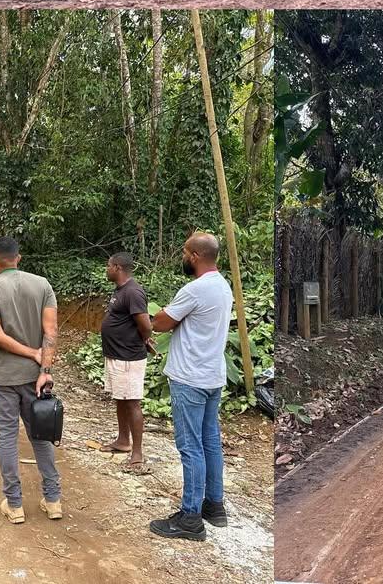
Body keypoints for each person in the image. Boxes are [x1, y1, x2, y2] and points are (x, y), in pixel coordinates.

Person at [148, 232, 234, 543]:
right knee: (210, 441)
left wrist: (155, 319)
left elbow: (160, 322)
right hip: (212, 376)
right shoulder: (223, 287)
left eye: (185, 252)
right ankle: (214, 505)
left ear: (195, 256)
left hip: (190, 379)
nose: (183, 257)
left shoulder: (195, 289)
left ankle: (190, 517)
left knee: (191, 446)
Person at [0, 236, 61, 526]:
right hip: (35, 378)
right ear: (18, 258)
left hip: (4, 376)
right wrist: (44, 366)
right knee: (41, 435)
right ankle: (53, 500)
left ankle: (14, 505)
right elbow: (51, 330)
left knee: (8, 438)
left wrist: (30, 353)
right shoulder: (42, 285)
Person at [97, 251, 155, 471]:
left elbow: (145, 324)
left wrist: (145, 339)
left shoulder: (133, 292)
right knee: (120, 398)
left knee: (132, 402)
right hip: (116, 355)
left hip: (129, 357)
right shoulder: (120, 291)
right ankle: (123, 441)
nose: (106, 269)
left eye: (108, 265)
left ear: (118, 268)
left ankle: (137, 452)